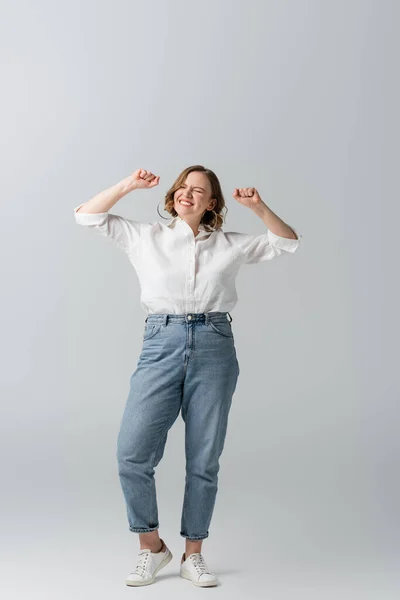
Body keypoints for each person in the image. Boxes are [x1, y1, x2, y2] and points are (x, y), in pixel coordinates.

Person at [73, 165, 302, 587]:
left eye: (199, 191)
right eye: (183, 187)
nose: (188, 194)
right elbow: (87, 215)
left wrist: (258, 206)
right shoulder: (146, 237)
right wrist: (129, 184)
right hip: (161, 340)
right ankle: (152, 548)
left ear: (212, 203)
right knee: (132, 453)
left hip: (215, 344)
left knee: (203, 458)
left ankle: (193, 554)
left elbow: (287, 243)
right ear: (173, 195)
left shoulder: (229, 245)